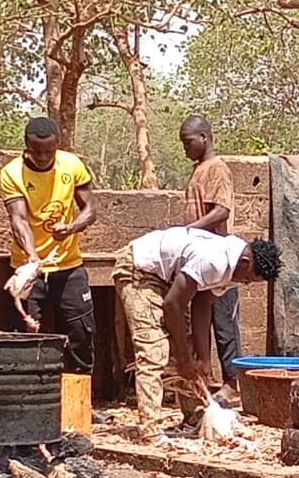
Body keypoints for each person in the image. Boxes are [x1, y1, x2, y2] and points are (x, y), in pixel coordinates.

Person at [117, 226, 282, 435]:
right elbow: (172, 306)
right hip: (139, 268)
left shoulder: (235, 268)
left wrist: (202, 359)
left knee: (186, 350)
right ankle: (150, 432)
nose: (245, 283)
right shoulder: (215, 260)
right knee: (153, 349)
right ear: (245, 263)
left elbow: (203, 303)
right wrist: (184, 359)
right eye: (248, 278)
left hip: (169, 279)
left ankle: (195, 418)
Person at [0, 116, 98, 371]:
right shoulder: (11, 173)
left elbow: (90, 209)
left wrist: (72, 227)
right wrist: (32, 258)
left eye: (49, 151)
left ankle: (78, 404)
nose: (43, 157)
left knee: (80, 334)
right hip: (28, 267)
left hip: (68, 265)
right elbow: (18, 219)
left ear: (57, 146)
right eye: (36, 151)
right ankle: (30, 404)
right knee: (25, 336)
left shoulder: (72, 165)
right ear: (26, 147)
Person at [182, 116, 244, 384]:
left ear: (204, 138)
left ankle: (232, 383)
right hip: (201, 259)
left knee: (224, 324)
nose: (185, 148)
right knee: (200, 321)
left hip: (219, 258)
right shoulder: (199, 169)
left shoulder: (217, 168)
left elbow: (221, 211)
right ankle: (205, 378)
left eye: (188, 142)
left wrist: (189, 230)